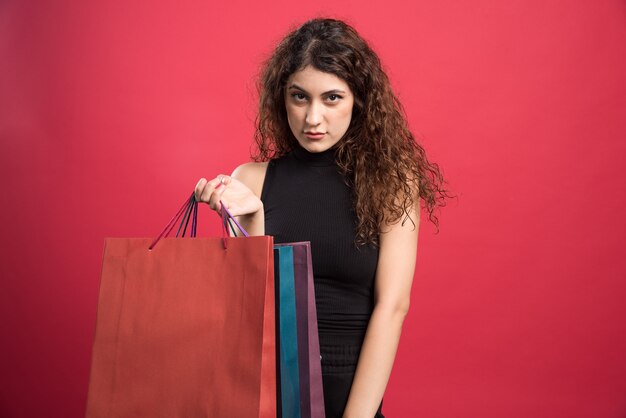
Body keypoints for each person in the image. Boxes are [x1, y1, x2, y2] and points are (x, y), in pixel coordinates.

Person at [195, 18, 450, 418]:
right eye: (300, 97)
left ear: (358, 101)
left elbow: (393, 305)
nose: (313, 118)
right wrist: (251, 220)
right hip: (267, 397)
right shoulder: (251, 180)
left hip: (353, 397)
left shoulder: (392, 182)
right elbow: (251, 314)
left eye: (331, 98)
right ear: (282, 98)